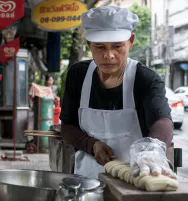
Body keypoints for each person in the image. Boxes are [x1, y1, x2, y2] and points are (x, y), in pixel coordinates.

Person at [60, 6, 175, 179]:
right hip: (87, 180)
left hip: (134, 180)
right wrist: (92, 145)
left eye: (117, 46)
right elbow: (67, 126)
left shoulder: (145, 79)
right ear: (89, 44)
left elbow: (162, 121)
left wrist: (152, 150)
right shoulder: (78, 75)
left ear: (131, 41)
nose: (109, 55)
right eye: (100, 47)